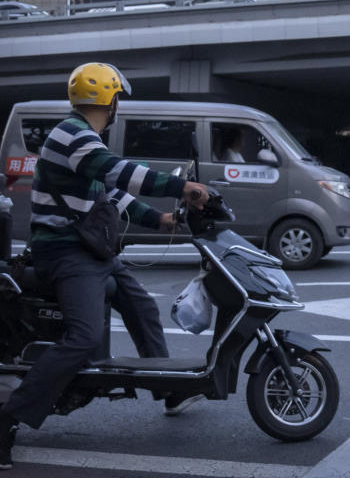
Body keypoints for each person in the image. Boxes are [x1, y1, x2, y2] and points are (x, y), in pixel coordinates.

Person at [0, 63, 209, 471]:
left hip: (90, 251)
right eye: (118, 99)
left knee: (141, 305)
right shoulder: (72, 134)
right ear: (110, 101)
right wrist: (181, 186)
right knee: (82, 338)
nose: (118, 107)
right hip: (64, 253)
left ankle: (169, 390)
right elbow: (120, 173)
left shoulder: (83, 139)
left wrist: (163, 220)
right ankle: (5, 421)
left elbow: (110, 194)